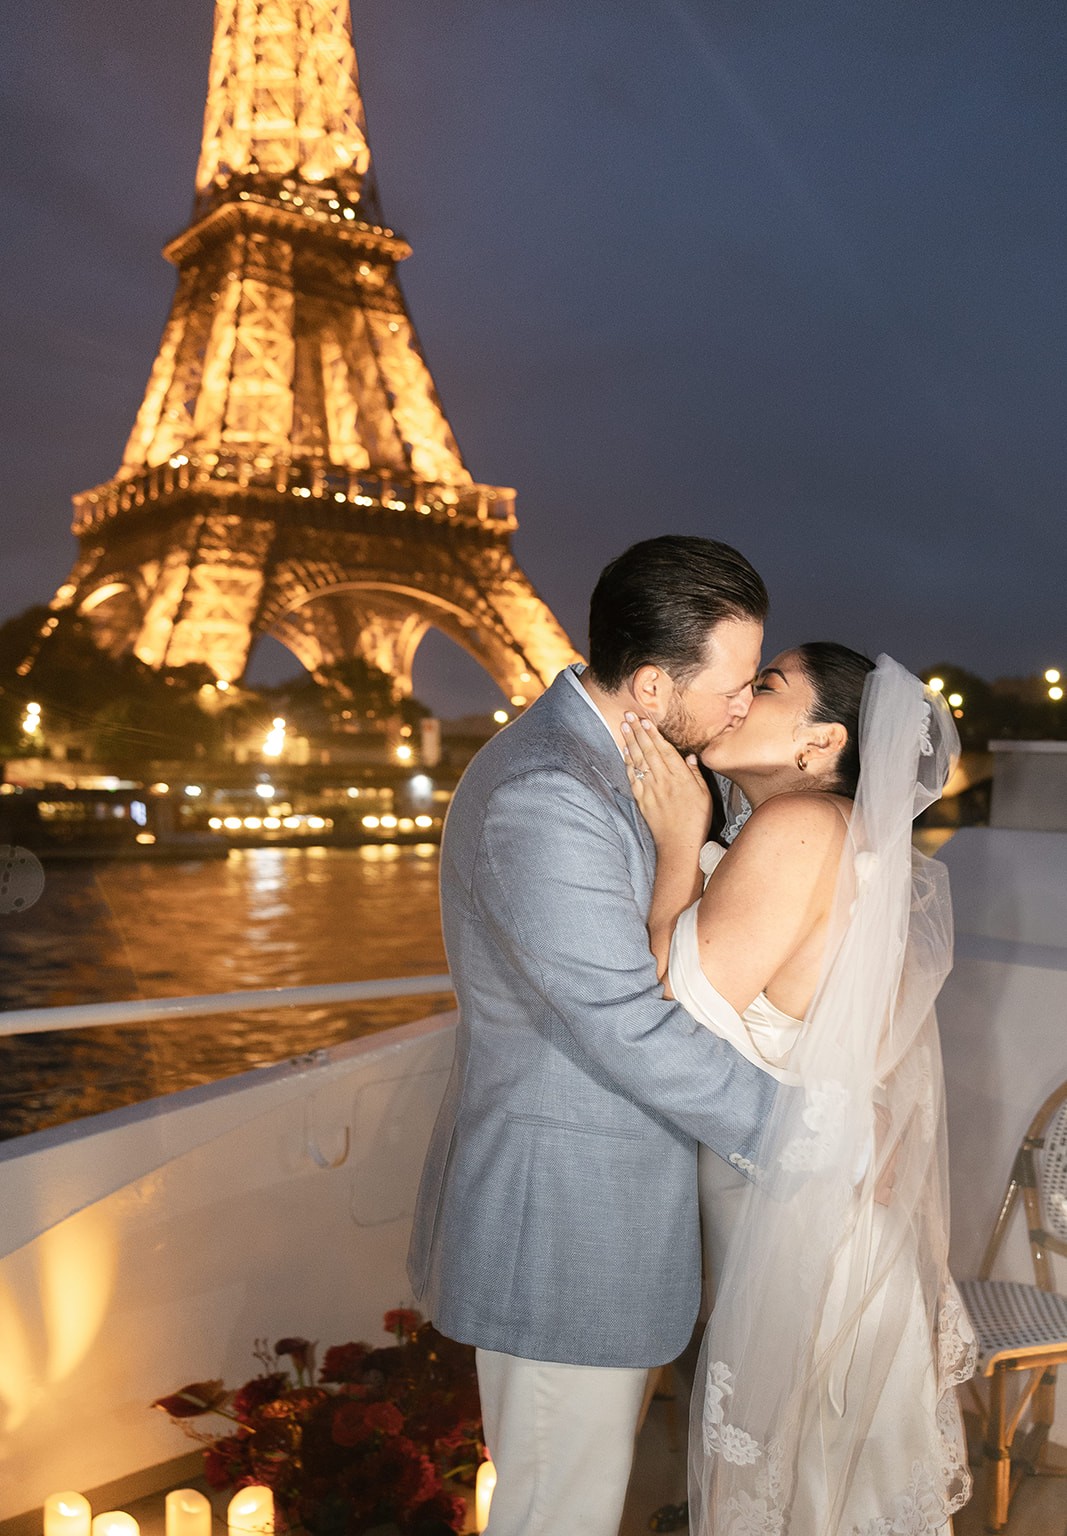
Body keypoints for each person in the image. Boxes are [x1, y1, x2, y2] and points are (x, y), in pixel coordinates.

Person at [408, 535, 784, 1536]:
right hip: (560, 1229)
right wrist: (800, 1131)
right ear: (652, 685)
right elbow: (624, 1024)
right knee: (555, 1513)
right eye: (736, 684)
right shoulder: (549, 792)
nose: (744, 704)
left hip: (596, 1220)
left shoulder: (624, 766)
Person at [622, 644, 976, 1535]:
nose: (738, 697)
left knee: (800, 1491)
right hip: (817, 1214)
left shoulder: (798, 827)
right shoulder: (838, 834)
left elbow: (674, 1013)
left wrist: (674, 848)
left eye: (766, 686)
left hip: (795, 1223)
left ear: (821, 743)